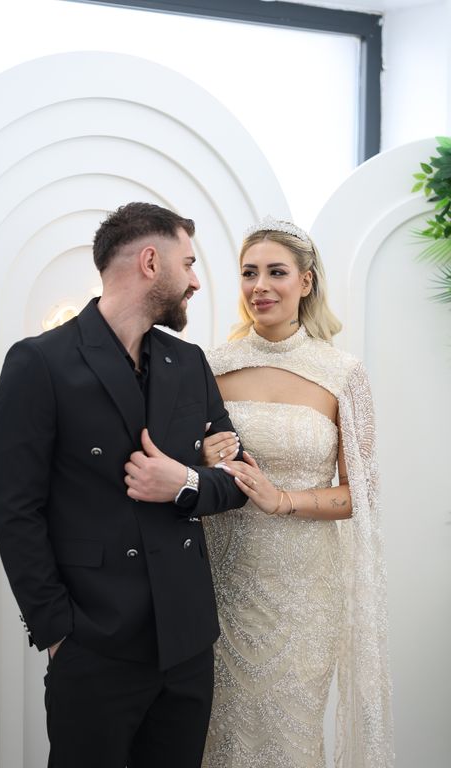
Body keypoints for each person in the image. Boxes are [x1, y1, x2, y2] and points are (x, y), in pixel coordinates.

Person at [0, 202, 246, 768]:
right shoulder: (40, 363)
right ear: (150, 262)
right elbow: (14, 511)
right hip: (93, 643)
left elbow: (238, 478)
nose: (196, 281)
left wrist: (183, 482)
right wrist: (58, 633)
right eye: (188, 263)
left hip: (186, 642)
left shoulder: (189, 362)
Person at [201, 217, 394, 768]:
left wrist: (283, 499)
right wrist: (203, 459)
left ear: (306, 281)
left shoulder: (342, 374)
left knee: (289, 737)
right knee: (214, 734)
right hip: (220, 582)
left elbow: (359, 496)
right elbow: (182, 469)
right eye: (249, 273)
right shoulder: (210, 367)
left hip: (303, 592)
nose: (260, 286)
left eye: (276, 272)